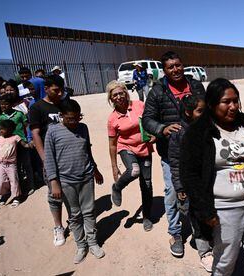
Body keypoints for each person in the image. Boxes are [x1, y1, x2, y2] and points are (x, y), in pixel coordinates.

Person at [180, 78, 244, 275]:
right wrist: (205, 211)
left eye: (236, 100)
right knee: (225, 262)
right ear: (212, 103)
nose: (233, 107)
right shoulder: (198, 132)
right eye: (226, 102)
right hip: (224, 209)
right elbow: (189, 175)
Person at [142, 51, 205, 257]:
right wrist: (162, 129)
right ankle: (176, 233)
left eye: (178, 65)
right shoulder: (157, 91)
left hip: (197, 150)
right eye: (170, 67)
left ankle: (200, 231)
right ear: (164, 70)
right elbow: (147, 118)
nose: (176, 69)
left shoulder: (195, 86)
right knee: (171, 193)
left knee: (199, 190)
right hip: (170, 152)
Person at [44, 99, 105, 264]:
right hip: (66, 181)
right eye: (70, 118)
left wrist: (96, 170)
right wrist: (54, 182)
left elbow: (87, 151)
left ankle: (92, 243)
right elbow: (49, 159)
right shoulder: (53, 131)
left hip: (86, 177)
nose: (74, 122)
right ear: (61, 116)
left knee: (89, 211)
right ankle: (80, 245)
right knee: (75, 215)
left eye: (77, 118)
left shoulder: (83, 128)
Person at [167, 94, 214, 272]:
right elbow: (175, 162)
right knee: (197, 217)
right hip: (191, 184)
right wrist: (180, 187)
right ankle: (205, 253)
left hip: (208, 182)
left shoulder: (208, 128)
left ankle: (211, 242)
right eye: (200, 111)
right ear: (188, 112)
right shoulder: (178, 133)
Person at [107, 80, 155, 231]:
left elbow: (151, 120)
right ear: (110, 98)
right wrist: (114, 167)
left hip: (144, 148)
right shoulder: (112, 119)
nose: (119, 97)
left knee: (146, 185)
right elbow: (113, 144)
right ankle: (117, 187)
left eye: (121, 93)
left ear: (126, 93)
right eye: (115, 95)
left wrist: (155, 134)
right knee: (134, 170)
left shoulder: (139, 105)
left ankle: (146, 216)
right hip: (126, 147)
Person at [29, 74, 67, 247]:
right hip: (51, 158)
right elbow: (36, 134)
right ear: (46, 89)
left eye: (61, 90)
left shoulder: (64, 104)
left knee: (71, 189)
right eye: (55, 90)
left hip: (68, 156)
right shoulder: (37, 107)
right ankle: (58, 226)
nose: (59, 94)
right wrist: (44, 158)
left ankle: (74, 220)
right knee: (55, 193)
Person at [0, 94, 35, 195]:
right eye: (1, 104)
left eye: (5, 104)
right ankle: (19, 189)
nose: (3, 106)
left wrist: (29, 139)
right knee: (16, 167)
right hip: (10, 146)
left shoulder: (19, 114)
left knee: (27, 165)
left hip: (22, 143)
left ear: (12, 104)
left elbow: (27, 126)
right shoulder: (1, 117)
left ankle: (31, 185)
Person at [0, 119, 30, 208]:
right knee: (1, 182)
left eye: (3, 129)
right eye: (0, 129)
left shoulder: (15, 137)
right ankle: (4, 195)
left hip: (11, 165)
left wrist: (30, 144)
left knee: (14, 181)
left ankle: (16, 197)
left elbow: (24, 145)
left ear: (10, 129)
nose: (1, 131)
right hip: (1, 164)